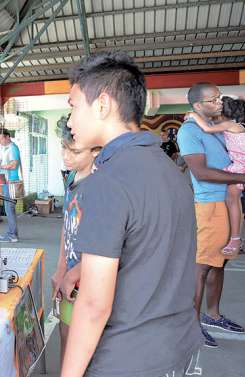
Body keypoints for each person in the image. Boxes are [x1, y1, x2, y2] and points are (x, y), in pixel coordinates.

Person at [60, 51, 201, 377]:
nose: (70, 120)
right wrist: (82, 266)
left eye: (73, 106)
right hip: (178, 348)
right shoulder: (169, 172)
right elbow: (148, 244)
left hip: (128, 359)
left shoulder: (106, 183)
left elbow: (94, 306)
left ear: (103, 105)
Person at [178, 83, 245, 349]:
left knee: (221, 262)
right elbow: (202, 173)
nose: (219, 102)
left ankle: (213, 316)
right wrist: (242, 177)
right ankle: (192, 327)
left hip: (231, 202)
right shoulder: (189, 131)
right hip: (210, 205)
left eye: (219, 98)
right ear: (197, 106)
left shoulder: (221, 124)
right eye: (213, 99)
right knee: (202, 266)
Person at [51, 124, 100, 367]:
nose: (66, 156)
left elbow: (109, 238)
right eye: (63, 148)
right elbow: (67, 225)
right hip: (70, 274)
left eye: (75, 151)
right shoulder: (71, 176)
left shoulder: (101, 182)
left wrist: (76, 271)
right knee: (66, 335)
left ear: (95, 151)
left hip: (91, 279)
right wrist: (61, 267)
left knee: (87, 347)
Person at [186, 96, 245, 257]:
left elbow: (206, 128)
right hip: (240, 164)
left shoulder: (230, 124)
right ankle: (236, 239)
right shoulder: (236, 126)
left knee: (232, 200)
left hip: (240, 167)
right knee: (235, 201)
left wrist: (193, 115)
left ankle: (235, 239)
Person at [0, 129, 21, 242]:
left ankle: (13, 235)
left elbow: (14, 165)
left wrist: (0, 167)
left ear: (7, 137)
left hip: (11, 181)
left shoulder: (12, 148)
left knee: (9, 208)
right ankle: (12, 232)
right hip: (6, 181)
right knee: (9, 208)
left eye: (1, 138)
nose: (0, 141)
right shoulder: (6, 148)